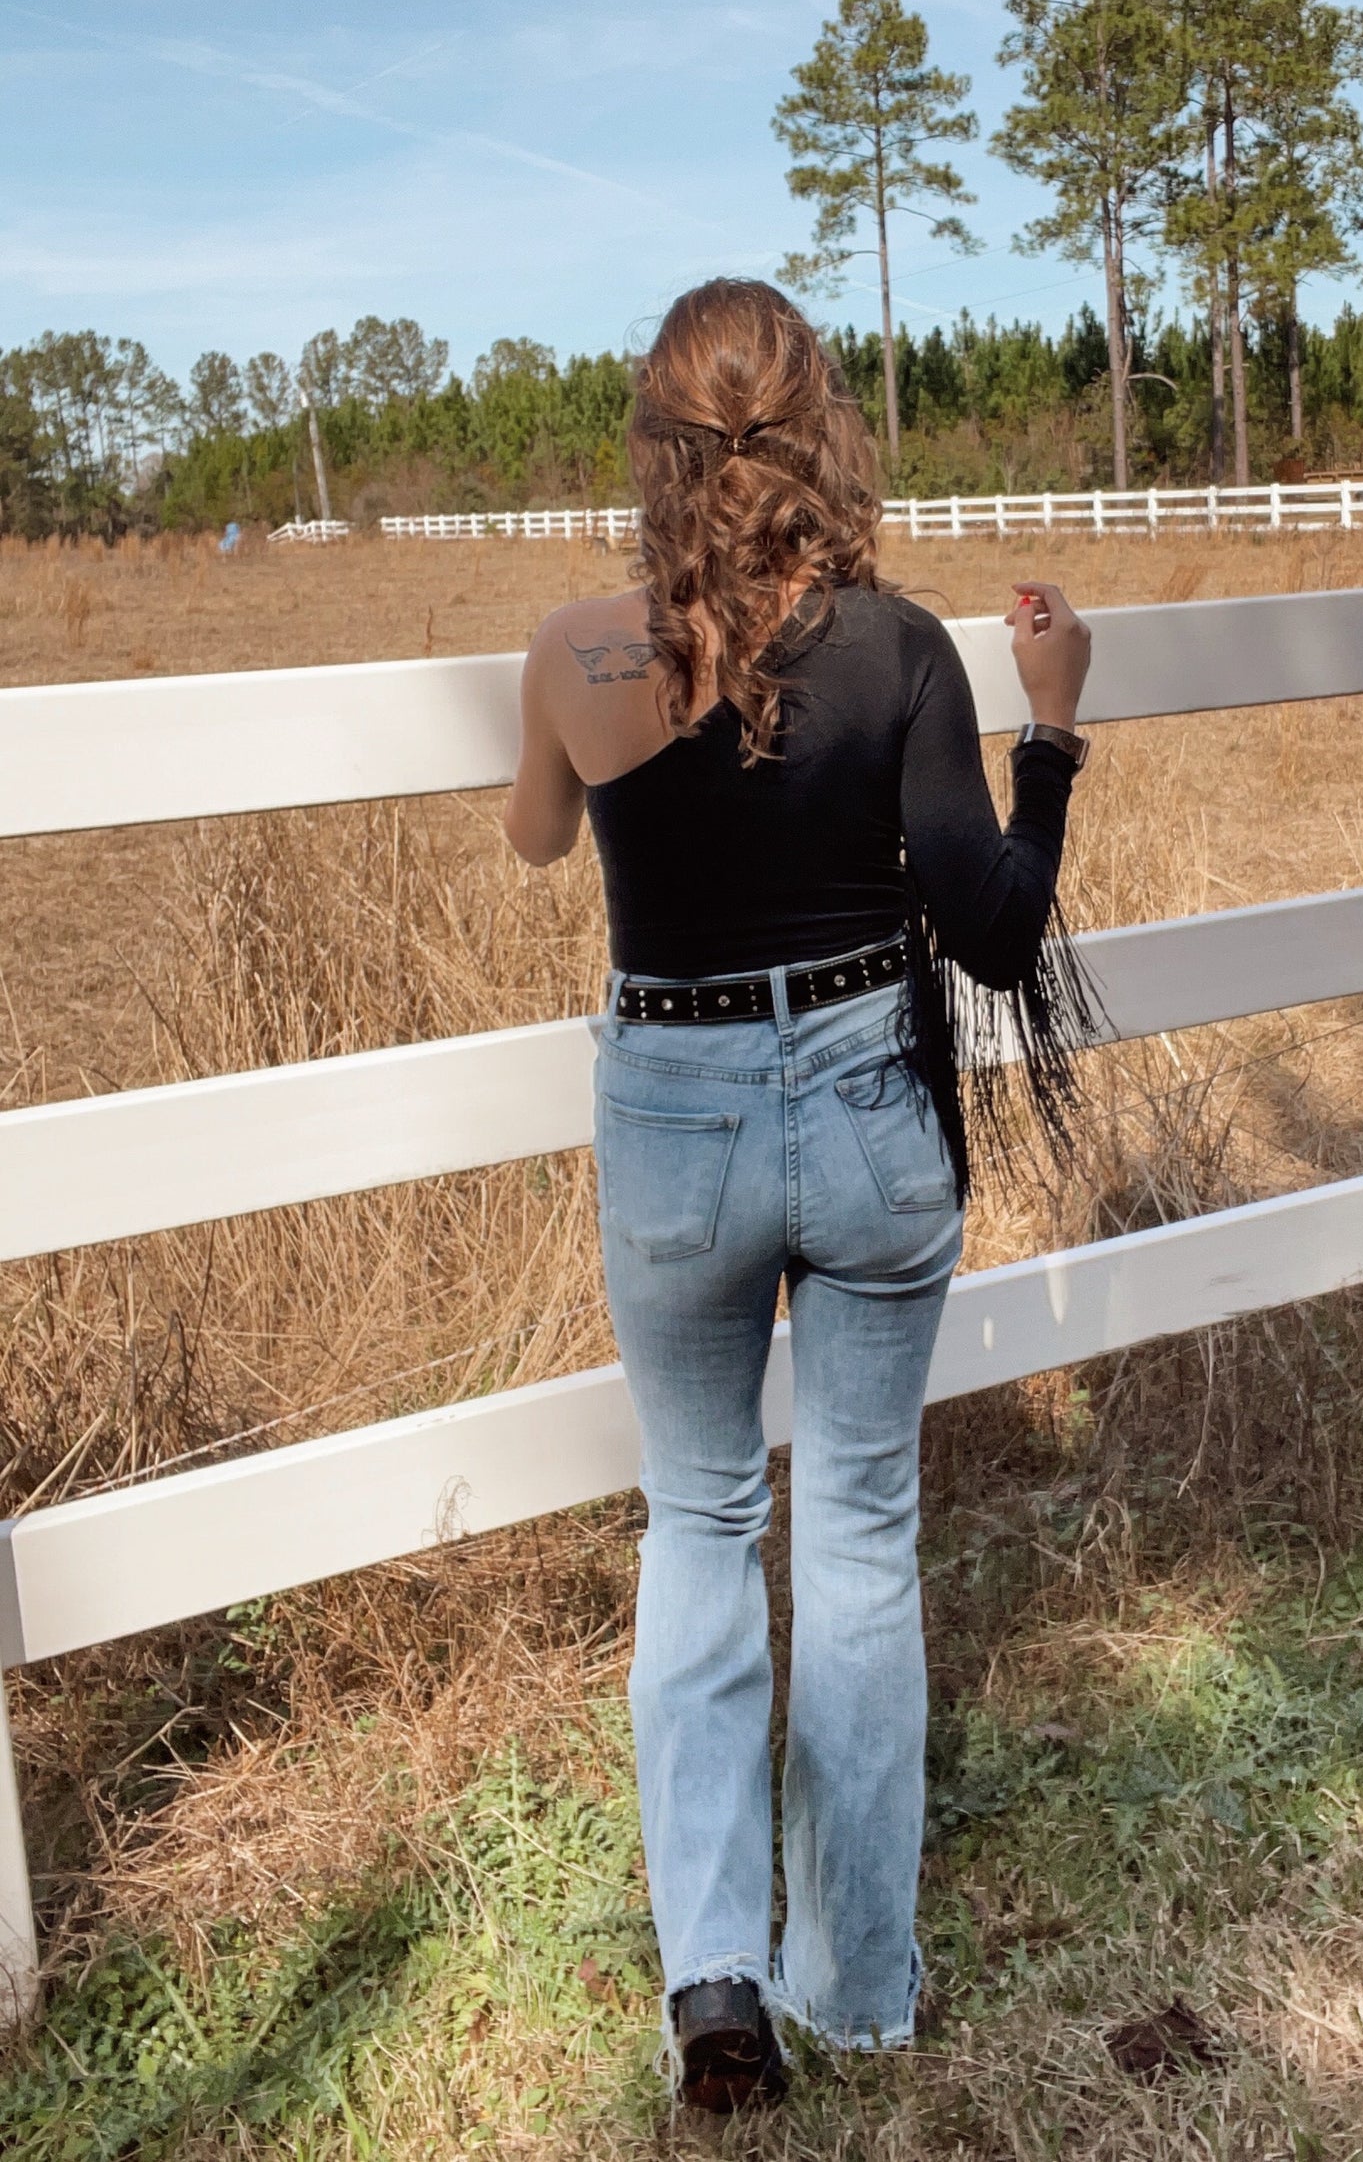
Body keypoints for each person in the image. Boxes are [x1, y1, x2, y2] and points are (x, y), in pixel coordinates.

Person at [503, 278, 1092, 2112]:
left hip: (674, 1106)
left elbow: (534, 837)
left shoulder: (581, 652)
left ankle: (716, 1992)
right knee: (851, 1541)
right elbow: (994, 937)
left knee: (696, 1527)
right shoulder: (904, 647)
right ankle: (857, 1983)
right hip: (864, 1109)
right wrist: (1052, 727)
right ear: (821, 425)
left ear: (657, 444)